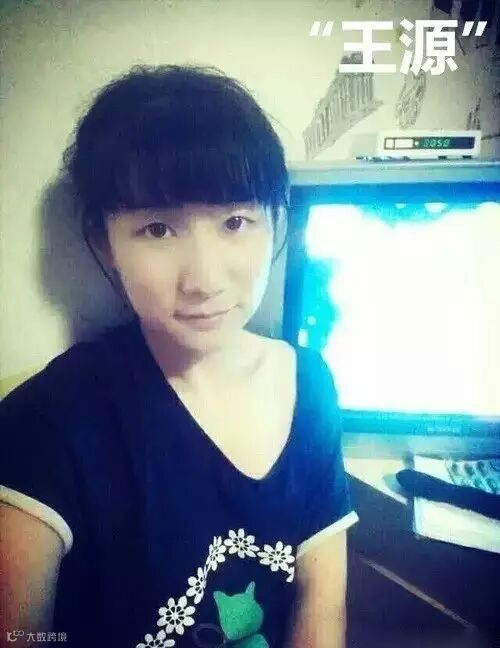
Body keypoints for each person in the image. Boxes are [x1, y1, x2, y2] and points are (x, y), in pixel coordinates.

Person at [0, 64, 359, 648]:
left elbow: (322, 608)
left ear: (277, 222)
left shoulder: (310, 386)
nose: (204, 280)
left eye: (235, 222)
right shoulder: (55, 415)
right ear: (105, 244)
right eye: (158, 230)